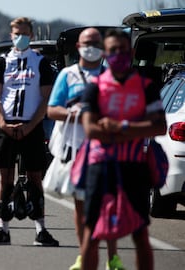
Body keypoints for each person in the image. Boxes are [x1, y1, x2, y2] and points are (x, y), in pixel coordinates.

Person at [79, 29, 166, 270]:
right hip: (100, 166)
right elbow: (90, 129)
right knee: (92, 232)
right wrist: (136, 129)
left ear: (133, 52)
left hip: (134, 167)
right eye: (113, 50)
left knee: (140, 233)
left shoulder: (146, 87)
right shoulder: (95, 87)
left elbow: (159, 126)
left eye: (123, 50)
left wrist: (119, 126)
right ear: (106, 54)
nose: (119, 55)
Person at [48, 28, 124, 270]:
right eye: (86, 43)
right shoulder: (67, 75)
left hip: (106, 151)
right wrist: (72, 112)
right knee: (81, 207)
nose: (91, 47)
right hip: (77, 150)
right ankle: (84, 256)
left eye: (95, 43)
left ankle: (113, 258)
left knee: (107, 206)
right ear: (78, 47)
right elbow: (52, 109)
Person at [0, 17, 59, 246]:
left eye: (25, 33)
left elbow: (46, 98)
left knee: (35, 177)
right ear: (11, 35)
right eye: (17, 33)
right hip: (6, 126)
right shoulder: (1, 62)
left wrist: (29, 125)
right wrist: (3, 123)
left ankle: (41, 230)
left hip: (32, 126)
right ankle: (3, 230)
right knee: (6, 177)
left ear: (32, 36)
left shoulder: (41, 62)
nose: (20, 37)